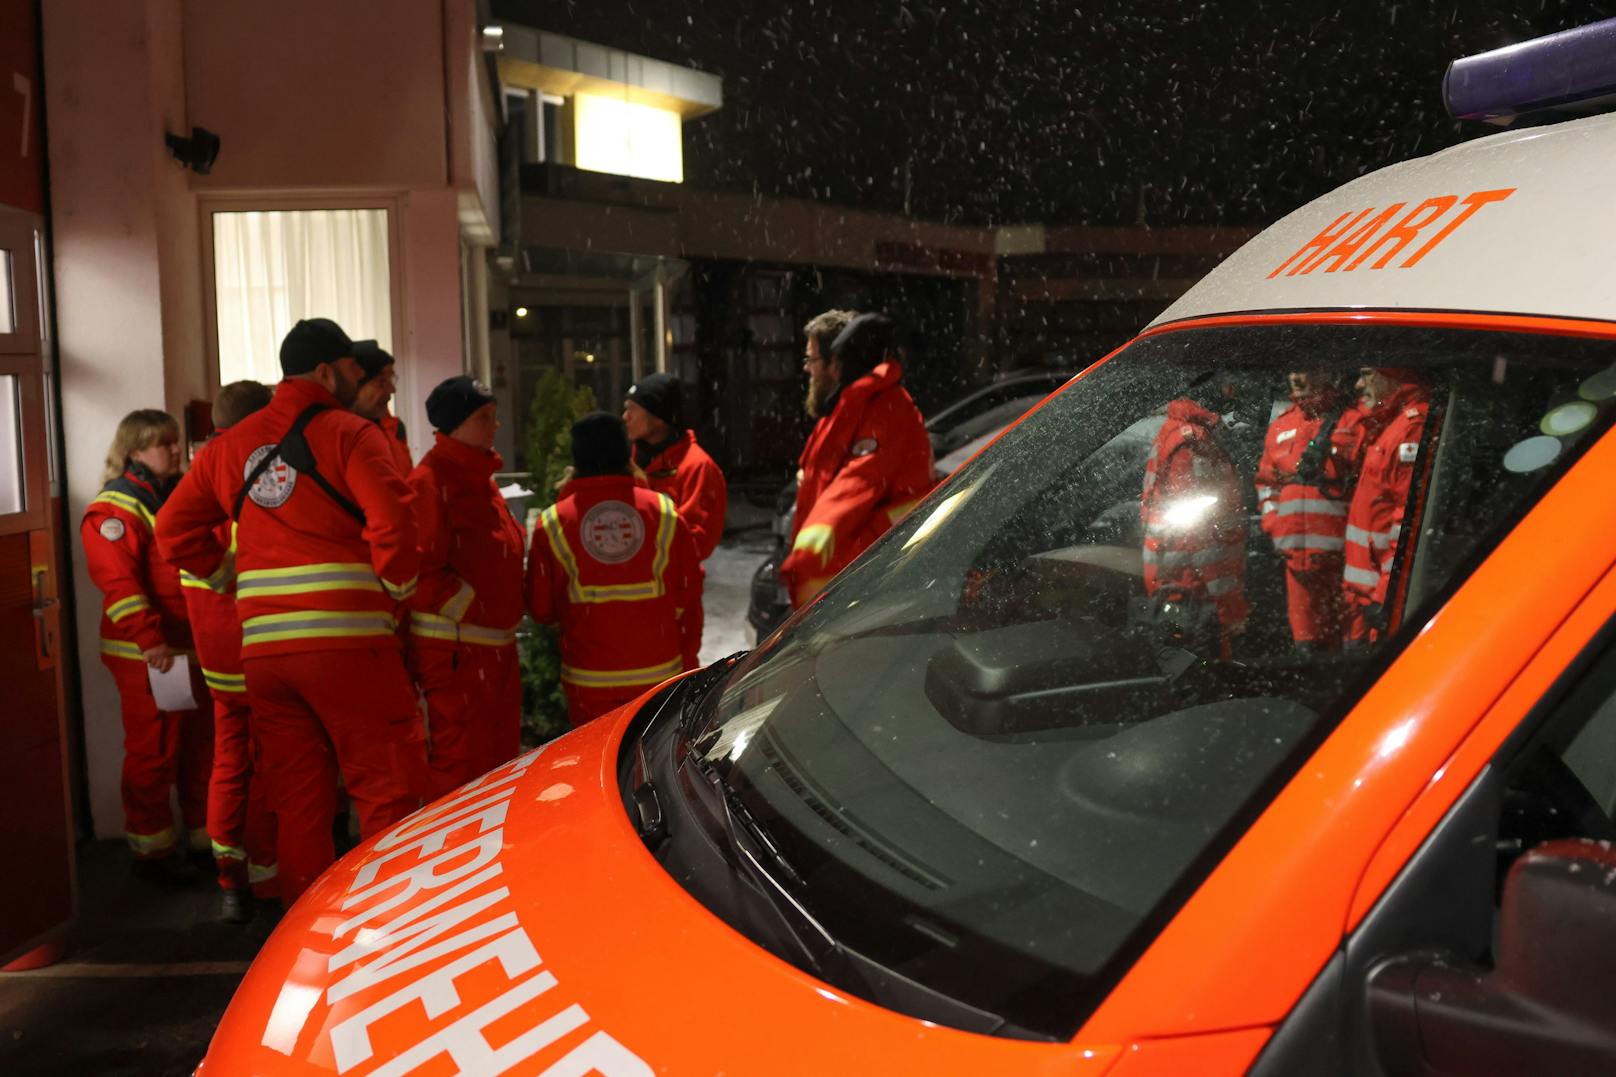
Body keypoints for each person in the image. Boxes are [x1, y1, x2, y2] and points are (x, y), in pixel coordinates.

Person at [156, 317, 426, 903]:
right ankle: (400, 929)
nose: (363, 379)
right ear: (327, 372)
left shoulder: (230, 444)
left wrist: (227, 577)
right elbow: (395, 523)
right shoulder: (351, 434)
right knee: (386, 790)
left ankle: (307, 937)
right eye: (355, 369)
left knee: (299, 804)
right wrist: (399, 591)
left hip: (268, 658)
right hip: (351, 648)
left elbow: (173, 528)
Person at [82, 409, 213, 880]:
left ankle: (202, 840)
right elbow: (119, 585)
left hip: (187, 646)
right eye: (165, 444)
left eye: (177, 442)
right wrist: (150, 641)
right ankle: (152, 856)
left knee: (201, 749)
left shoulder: (171, 494)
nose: (176, 451)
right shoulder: (114, 510)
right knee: (154, 751)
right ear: (135, 452)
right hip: (148, 654)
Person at [526, 412, 702, 726]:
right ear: (626, 455)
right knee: (654, 766)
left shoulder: (553, 522)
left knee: (599, 766)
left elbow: (541, 610)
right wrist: (685, 661)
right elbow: (689, 595)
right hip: (659, 678)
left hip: (590, 681)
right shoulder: (663, 512)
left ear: (576, 460)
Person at [179, 381, 279, 920]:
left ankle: (229, 879)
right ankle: (266, 883)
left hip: (216, 656)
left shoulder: (194, 478)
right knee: (266, 767)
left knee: (228, 762)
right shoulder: (251, 476)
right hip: (253, 645)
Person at [407, 376, 527, 796]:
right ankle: (450, 851)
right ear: (454, 425)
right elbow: (418, 572)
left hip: (489, 649)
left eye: (494, 416)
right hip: (458, 653)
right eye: (483, 418)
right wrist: (473, 609)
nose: (494, 426)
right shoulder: (430, 482)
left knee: (496, 763)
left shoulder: (480, 476)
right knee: (461, 768)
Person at [779, 312, 934, 608]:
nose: (808, 370)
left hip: (865, 582)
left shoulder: (882, 408)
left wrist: (812, 559)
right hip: (849, 579)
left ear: (836, 363)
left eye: (812, 360)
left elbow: (856, 487)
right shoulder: (848, 406)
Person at [623, 371, 728, 666]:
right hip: (634, 600)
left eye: (632, 409)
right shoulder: (628, 462)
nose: (624, 417)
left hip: (676, 600)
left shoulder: (697, 468)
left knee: (672, 681)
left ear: (658, 418)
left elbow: (698, 542)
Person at [1254, 370, 1362, 650]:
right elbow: (1267, 483)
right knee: (1307, 651)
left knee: (1351, 652)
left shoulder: (1352, 420)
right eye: (1292, 371)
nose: (1296, 378)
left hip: (1345, 566)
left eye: (1305, 370)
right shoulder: (1281, 425)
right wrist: (1273, 524)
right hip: (1295, 564)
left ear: (1327, 371)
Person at [1141, 381, 1250, 655]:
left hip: (1179, 582)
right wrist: (1230, 606)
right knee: (1208, 676)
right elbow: (1203, 537)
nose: (1232, 389)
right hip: (1195, 588)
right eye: (1226, 381)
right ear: (1209, 388)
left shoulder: (1175, 433)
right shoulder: (1192, 445)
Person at [1342, 366, 1431, 642]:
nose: (1359, 384)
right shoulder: (1392, 424)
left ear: (1391, 373)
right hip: (1365, 593)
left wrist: (1385, 593)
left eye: (1367, 373)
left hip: (1380, 597)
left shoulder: (1410, 428)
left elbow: (1406, 523)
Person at [352, 339, 413, 474]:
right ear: (354, 385)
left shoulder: (395, 429)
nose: (392, 389)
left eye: (391, 379)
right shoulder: (341, 440)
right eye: (381, 382)